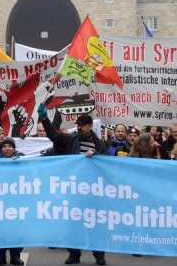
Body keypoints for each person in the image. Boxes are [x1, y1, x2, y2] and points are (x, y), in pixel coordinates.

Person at [37, 103, 107, 265]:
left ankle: (99, 255)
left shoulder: (100, 144)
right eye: (78, 125)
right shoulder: (70, 139)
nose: (79, 128)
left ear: (90, 126)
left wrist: (96, 155)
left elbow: (106, 162)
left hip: (92, 191)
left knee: (94, 223)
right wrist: (44, 118)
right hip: (74, 189)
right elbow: (53, 135)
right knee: (73, 223)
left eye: (82, 125)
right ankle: (74, 254)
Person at [0, 138, 24, 266]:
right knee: (0, 231)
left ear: (14, 149)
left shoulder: (22, 160)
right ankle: (0, 257)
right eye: (5, 146)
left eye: (10, 146)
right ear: (1, 149)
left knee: (16, 231)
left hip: (16, 202)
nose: (7, 148)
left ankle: (16, 256)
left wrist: (20, 161)